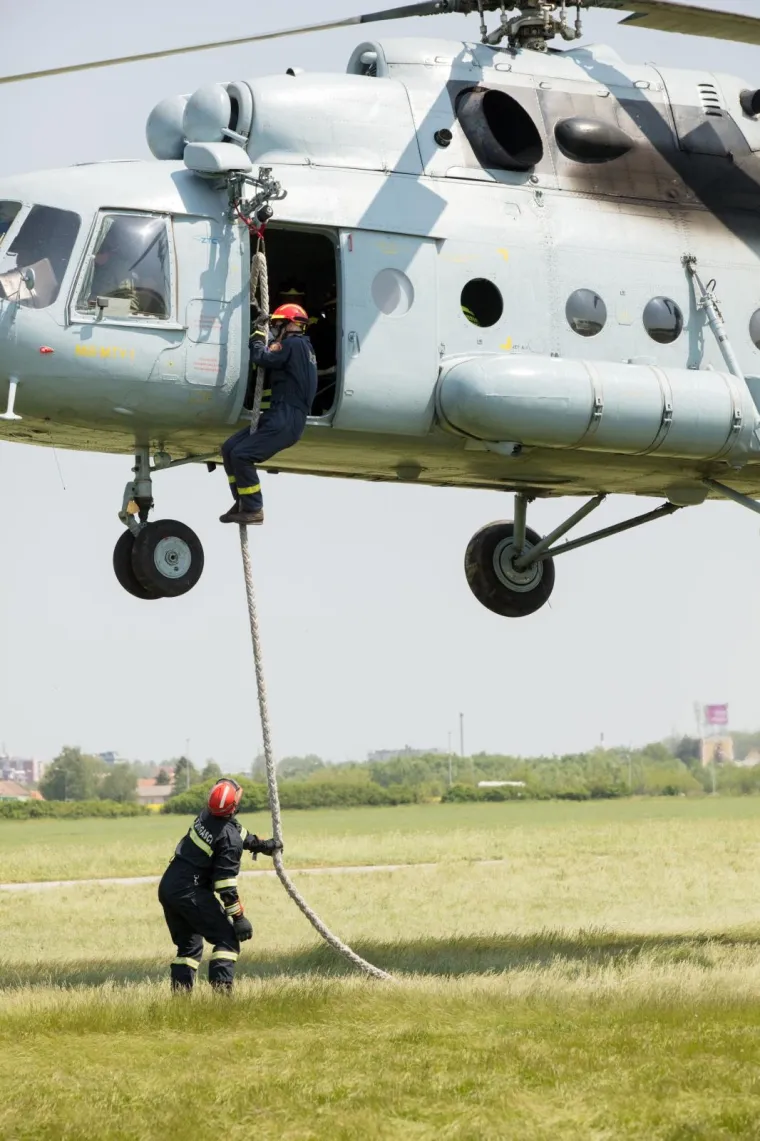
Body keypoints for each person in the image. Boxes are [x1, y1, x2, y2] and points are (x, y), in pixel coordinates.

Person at [158, 777, 281, 992]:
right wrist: (239, 918)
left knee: (189, 948)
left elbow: (235, 831)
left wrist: (261, 845)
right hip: (190, 892)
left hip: (169, 888)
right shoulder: (230, 840)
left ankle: (180, 1003)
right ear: (233, 808)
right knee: (227, 939)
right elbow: (225, 884)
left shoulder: (206, 816)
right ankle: (221, 999)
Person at [220, 302, 318, 525]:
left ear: (289, 324)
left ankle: (254, 508)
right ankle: (243, 501)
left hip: (286, 419)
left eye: (277, 324)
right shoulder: (303, 348)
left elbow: (263, 358)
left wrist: (256, 337)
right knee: (229, 448)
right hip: (279, 416)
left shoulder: (292, 344)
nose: (274, 328)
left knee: (242, 455)